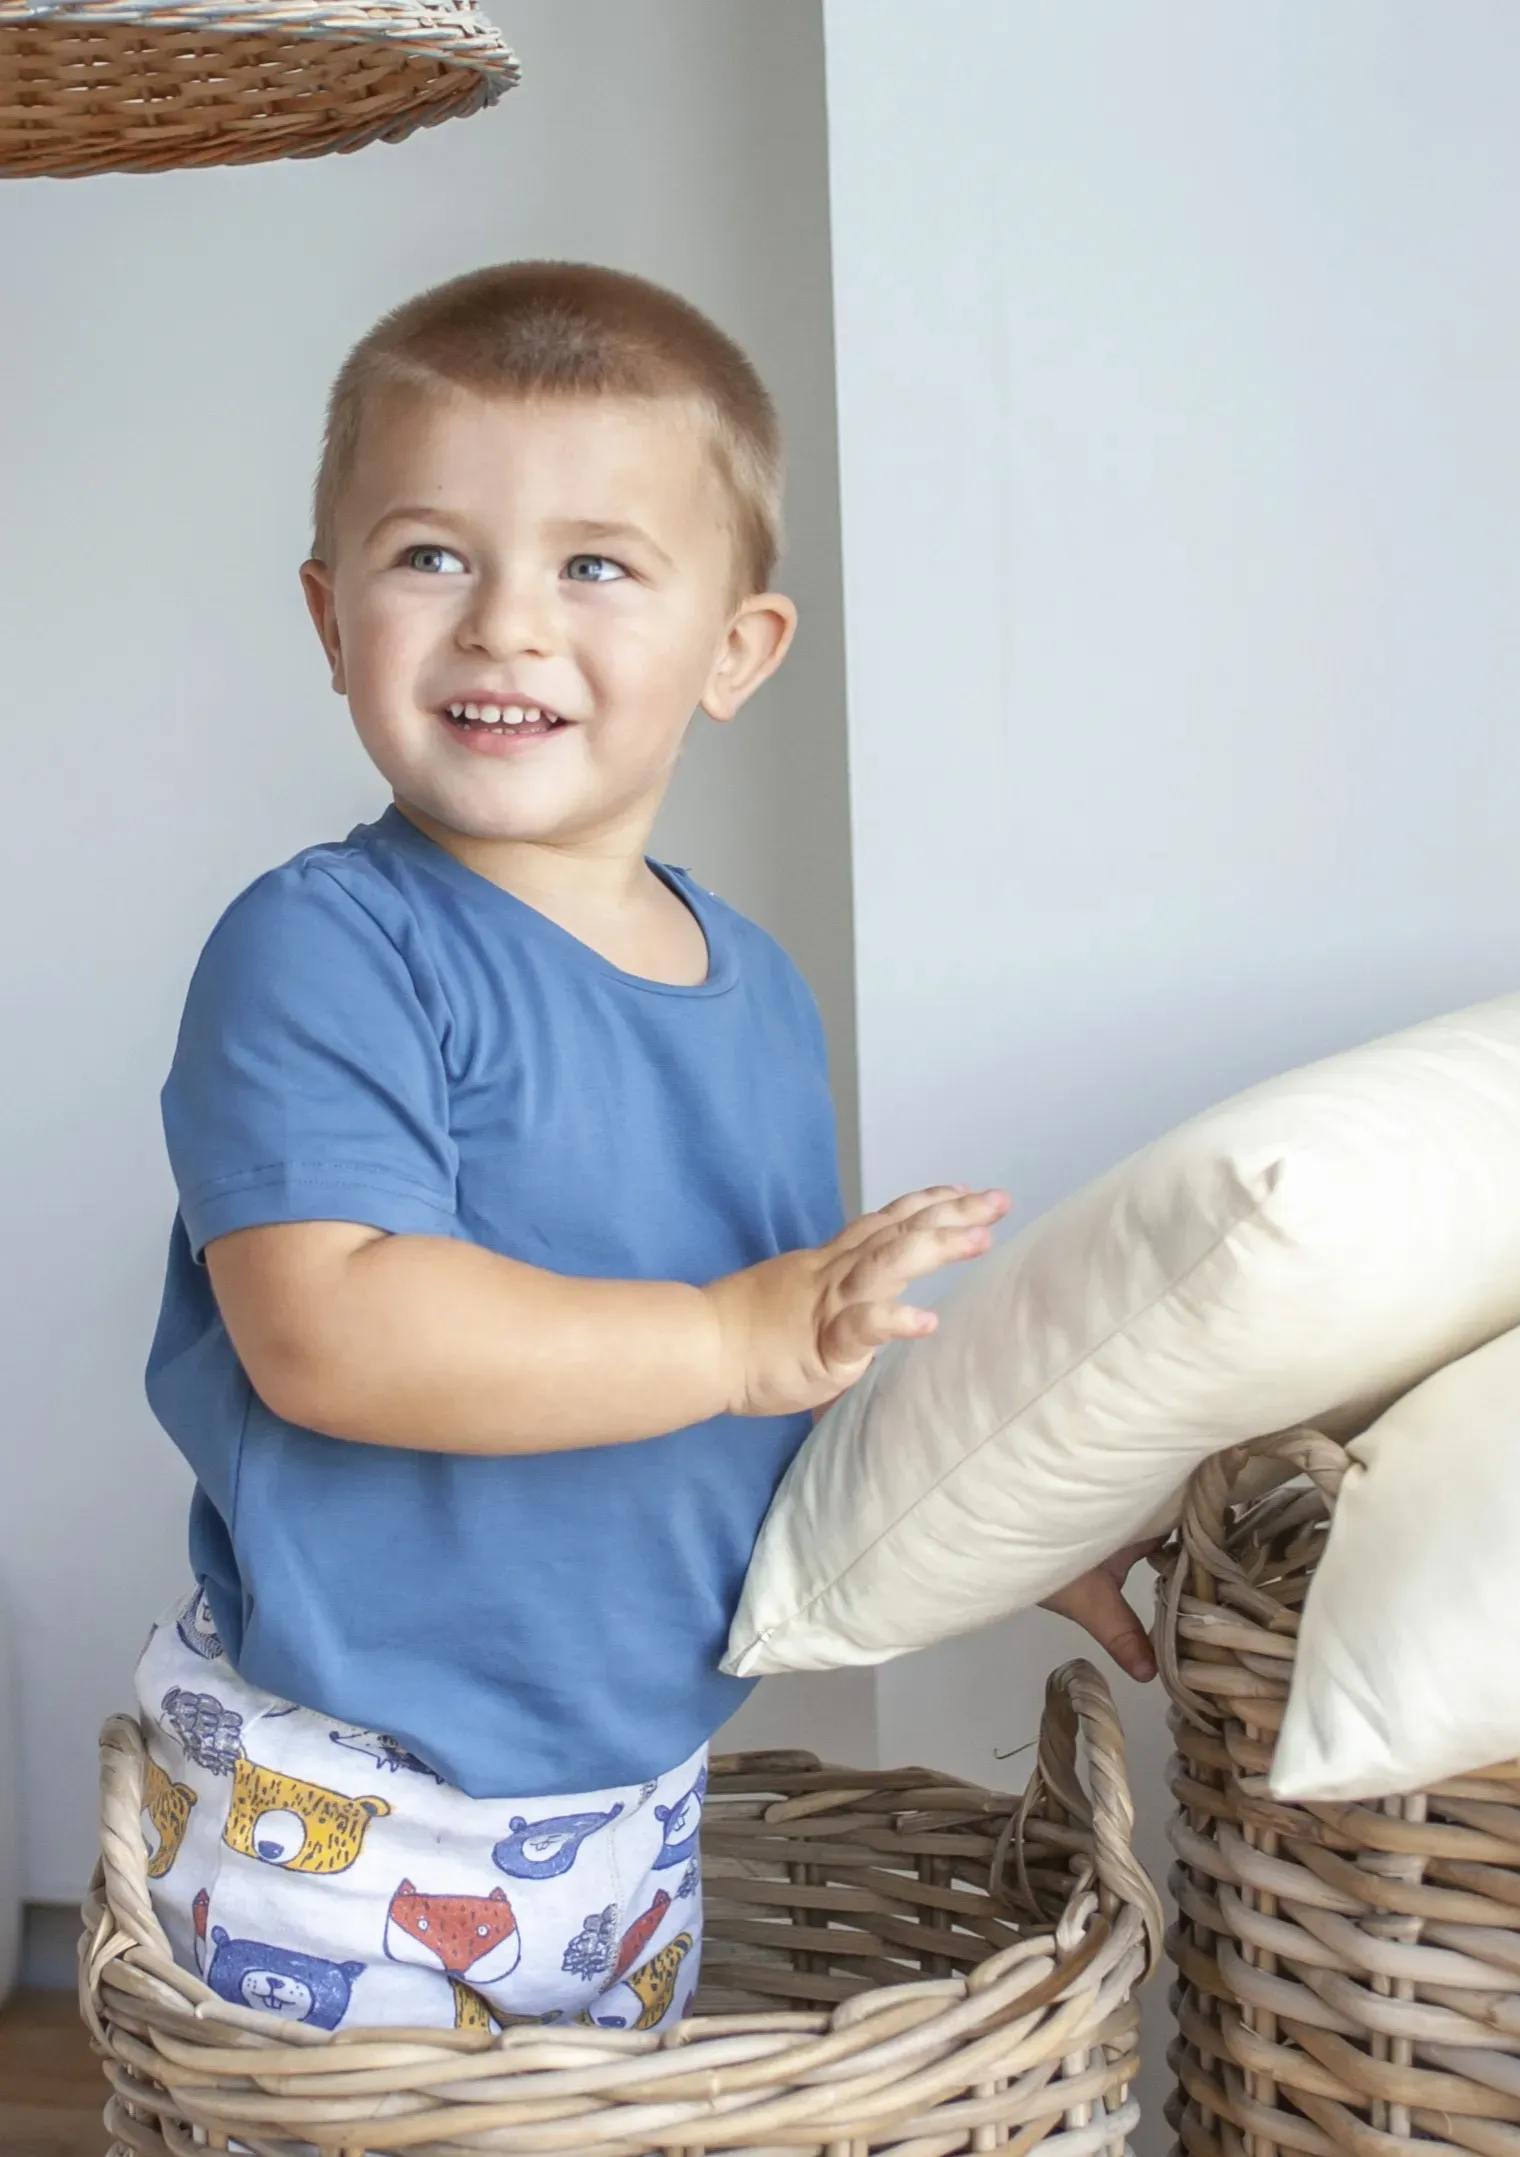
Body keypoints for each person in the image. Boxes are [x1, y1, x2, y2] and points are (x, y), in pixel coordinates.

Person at [136, 261, 1154, 2037]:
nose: (506, 626)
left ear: (735, 651)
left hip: (632, 1796)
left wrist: (982, 1511)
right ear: (329, 615)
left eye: (595, 567)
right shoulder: (327, 946)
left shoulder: (753, 988)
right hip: (350, 1785)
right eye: (430, 555)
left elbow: (792, 1363)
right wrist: (729, 1339)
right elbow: (330, 1329)